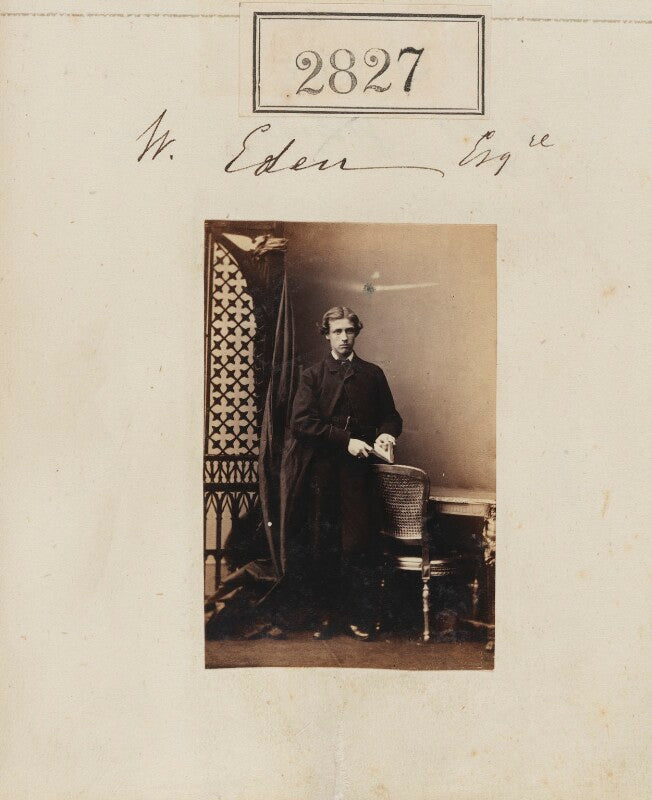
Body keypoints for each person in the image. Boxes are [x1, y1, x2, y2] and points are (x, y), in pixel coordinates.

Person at [289, 306, 402, 640]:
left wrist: (386, 434)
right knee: (323, 543)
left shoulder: (372, 374)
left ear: (356, 333)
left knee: (358, 544)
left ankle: (359, 616)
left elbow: (391, 416)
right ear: (326, 335)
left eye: (348, 331)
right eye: (336, 331)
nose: (343, 338)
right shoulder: (313, 376)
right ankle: (328, 617)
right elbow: (302, 423)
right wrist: (345, 440)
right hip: (322, 472)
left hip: (358, 472)